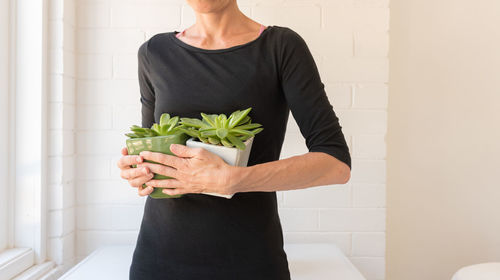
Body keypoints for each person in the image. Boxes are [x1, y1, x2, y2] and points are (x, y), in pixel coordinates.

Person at [116, 0, 352, 279]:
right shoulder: (154, 52)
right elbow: (153, 145)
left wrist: (234, 179)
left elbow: (336, 164)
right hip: (157, 261)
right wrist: (140, 170)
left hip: (250, 261)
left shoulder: (281, 46)